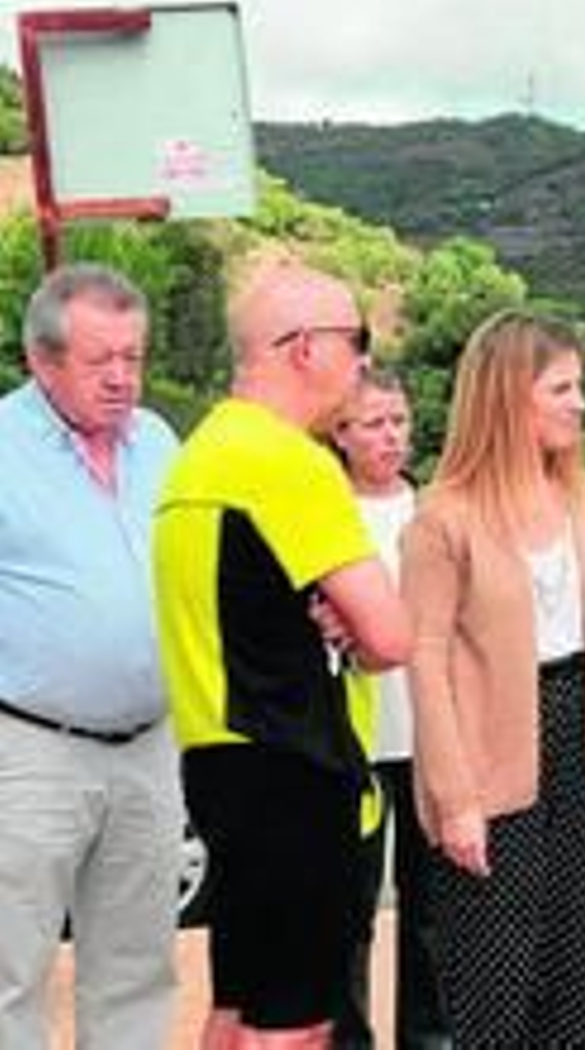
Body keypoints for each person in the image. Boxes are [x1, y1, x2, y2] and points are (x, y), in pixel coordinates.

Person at [154, 262, 412, 1049]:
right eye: (354, 341)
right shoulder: (289, 463)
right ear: (303, 349)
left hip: (219, 765)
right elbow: (392, 635)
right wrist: (349, 621)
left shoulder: (199, 455)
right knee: (295, 1026)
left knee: (234, 1009)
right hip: (295, 770)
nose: (363, 361)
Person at [400, 310, 585, 1048]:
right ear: (509, 398)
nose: (580, 403)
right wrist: (454, 799)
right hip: (491, 760)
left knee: (576, 977)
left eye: (580, 386)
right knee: (495, 985)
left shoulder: (583, 496)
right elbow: (425, 661)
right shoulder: (443, 519)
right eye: (561, 388)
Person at [0, 264, 182, 1048]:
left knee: (139, 965)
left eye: (133, 358)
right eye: (99, 360)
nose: (120, 379)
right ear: (42, 362)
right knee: (12, 966)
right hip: (32, 749)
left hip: (150, 744)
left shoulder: (159, 441)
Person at [331, 366, 452, 1050]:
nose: (390, 436)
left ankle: (427, 1037)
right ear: (341, 433)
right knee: (350, 909)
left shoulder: (433, 511)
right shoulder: (325, 511)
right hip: (356, 744)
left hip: (429, 742)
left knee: (432, 912)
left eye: (400, 421)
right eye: (374, 423)